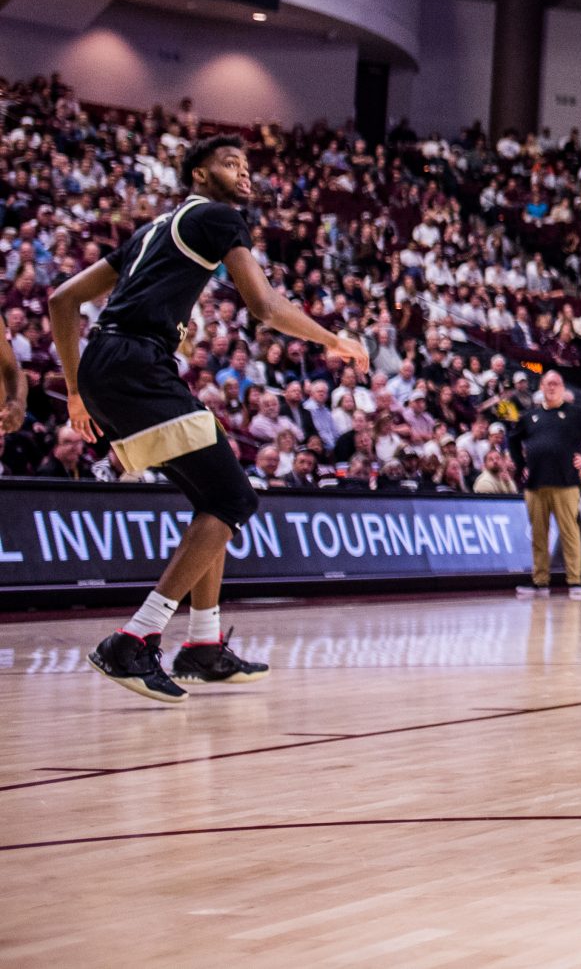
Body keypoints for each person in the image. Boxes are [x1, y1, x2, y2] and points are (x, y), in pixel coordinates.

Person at [47, 134, 366, 701]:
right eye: (230, 163)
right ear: (198, 175)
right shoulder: (218, 218)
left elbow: (63, 301)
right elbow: (265, 306)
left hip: (111, 365)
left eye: (247, 165)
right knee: (234, 499)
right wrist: (333, 340)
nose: (244, 173)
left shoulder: (152, 231)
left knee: (212, 500)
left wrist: (77, 390)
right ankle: (134, 639)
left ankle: (203, 644)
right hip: (136, 367)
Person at [512, 371, 581, 598]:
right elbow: (513, 440)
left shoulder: (576, 413)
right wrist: (521, 466)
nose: (552, 387)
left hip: (566, 483)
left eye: (556, 384)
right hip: (536, 484)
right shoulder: (530, 416)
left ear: (563, 387)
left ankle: (575, 581)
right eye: (548, 384)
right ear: (541, 387)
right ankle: (540, 582)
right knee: (538, 535)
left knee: (570, 533)